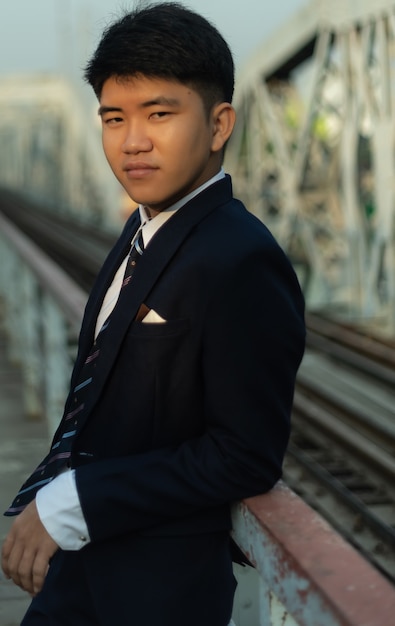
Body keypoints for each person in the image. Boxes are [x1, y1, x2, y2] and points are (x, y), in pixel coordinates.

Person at [1, 3, 305, 625]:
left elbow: (245, 455)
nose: (132, 140)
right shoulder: (144, 230)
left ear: (220, 124)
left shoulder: (239, 258)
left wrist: (75, 502)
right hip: (85, 569)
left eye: (159, 114)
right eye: (114, 118)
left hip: (156, 592)